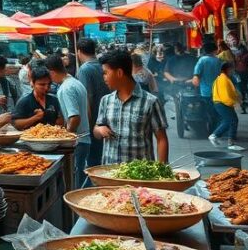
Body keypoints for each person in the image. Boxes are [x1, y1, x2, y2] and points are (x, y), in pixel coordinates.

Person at [94, 50, 169, 165]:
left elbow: (161, 139)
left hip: (139, 175)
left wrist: (162, 169)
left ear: (119, 72)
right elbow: (96, 129)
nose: (104, 77)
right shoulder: (106, 101)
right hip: (109, 172)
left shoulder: (150, 101)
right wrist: (99, 130)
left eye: (106, 73)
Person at [45, 54, 90, 180]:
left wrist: (66, 140)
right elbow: (88, 111)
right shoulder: (76, 83)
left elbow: (74, 117)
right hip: (84, 137)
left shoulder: (66, 88)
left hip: (77, 142)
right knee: (79, 175)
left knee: (75, 180)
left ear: (52, 72)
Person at [75, 39, 110, 171]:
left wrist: (87, 126)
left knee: (93, 163)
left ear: (79, 51)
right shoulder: (102, 65)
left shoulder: (85, 69)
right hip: (106, 118)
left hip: (94, 120)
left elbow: (86, 98)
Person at [11, 64, 62, 129]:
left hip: (52, 137)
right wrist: (35, 117)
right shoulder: (25, 102)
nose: (46, 88)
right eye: (42, 84)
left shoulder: (54, 100)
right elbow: (16, 124)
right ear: (33, 83)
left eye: (49, 84)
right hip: (32, 137)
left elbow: (59, 120)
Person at [210, 61, 245, 150]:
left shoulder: (223, 78)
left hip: (221, 103)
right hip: (222, 103)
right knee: (231, 120)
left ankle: (229, 141)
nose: (233, 71)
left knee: (231, 120)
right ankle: (216, 136)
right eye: (232, 69)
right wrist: (235, 103)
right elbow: (226, 95)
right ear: (228, 69)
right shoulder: (224, 79)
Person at [192, 41, 223, 111]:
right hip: (217, 90)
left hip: (206, 91)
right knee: (217, 109)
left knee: (208, 110)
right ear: (215, 50)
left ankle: (211, 121)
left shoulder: (202, 60)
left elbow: (196, 74)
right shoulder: (218, 60)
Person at [228, 34, 248, 113]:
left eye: (234, 39)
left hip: (244, 71)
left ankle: (246, 101)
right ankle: (245, 102)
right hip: (238, 72)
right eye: (231, 40)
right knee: (241, 88)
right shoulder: (233, 52)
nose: (233, 41)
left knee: (242, 87)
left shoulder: (244, 52)